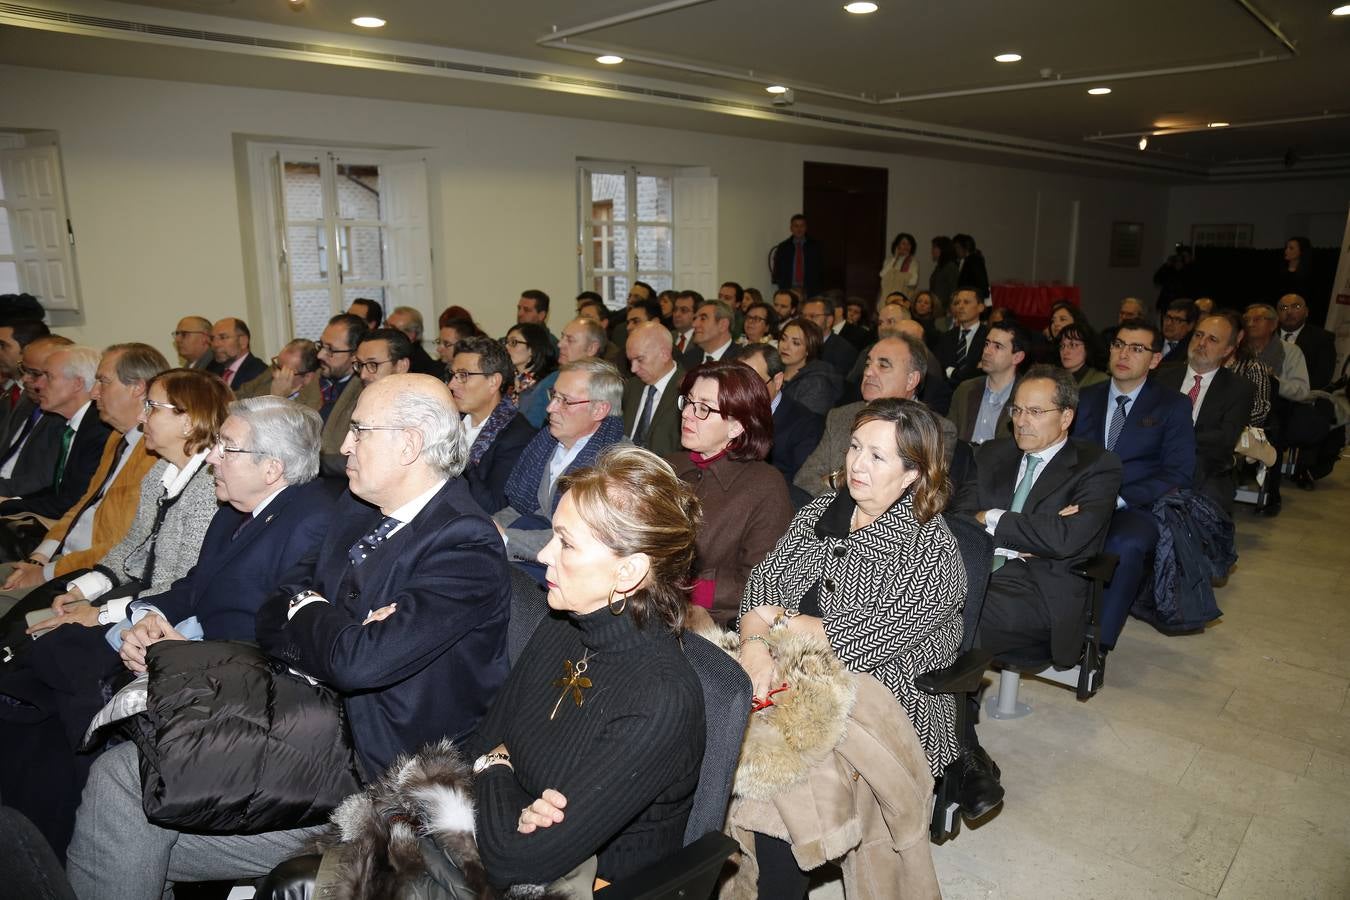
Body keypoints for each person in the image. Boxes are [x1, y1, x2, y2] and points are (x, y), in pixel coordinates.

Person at [67, 373, 512, 899]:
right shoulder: (358, 509)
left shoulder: (464, 543)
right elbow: (275, 606)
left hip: (373, 768)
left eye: (360, 431)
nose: (344, 444)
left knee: (128, 782)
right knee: (131, 780)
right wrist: (324, 615)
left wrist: (317, 618)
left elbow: (356, 664)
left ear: (409, 444)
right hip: (309, 715)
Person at [0, 394, 330, 857]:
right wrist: (145, 616)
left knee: (63, 680)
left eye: (226, 447)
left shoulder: (310, 523)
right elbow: (194, 587)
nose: (212, 456)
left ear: (272, 468)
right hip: (190, 646)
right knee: (48, 677)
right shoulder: (239, 509)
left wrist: (182, 649)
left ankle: (63, 836)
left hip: (237, 685)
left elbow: (279, 635)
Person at [738, 398, 966, 897]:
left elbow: (852, 644)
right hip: (793, 673)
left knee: (787, 790)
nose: (857, 464)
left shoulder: (931, 551)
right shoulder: (824, 510)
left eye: (878, 457)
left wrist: (784, 622)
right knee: (709, 725)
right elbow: (761, 588)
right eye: (856, 447)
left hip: (890, 704)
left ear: (913, 475)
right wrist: (756, 644)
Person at [463, 446, 704, 889]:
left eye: (567, 544)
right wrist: (501, 770)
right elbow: (482, 742)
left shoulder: (660, 700)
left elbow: (516, 862)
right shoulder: (567, 621)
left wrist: (498, 766)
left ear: (628, 571)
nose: (543, 556)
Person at [952, 366, 1122, 815]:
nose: (1021, 421)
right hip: (973, 575)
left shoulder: (1097, 466)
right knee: (923, 619)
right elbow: (957, 519)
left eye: (1035, 411)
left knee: (954, 628)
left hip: (1040, 593)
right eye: (1016, 410)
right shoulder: (991, 454)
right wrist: (1035, 532)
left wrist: (995, 520)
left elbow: (1068, 541)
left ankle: (961, 759)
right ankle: (964, 758)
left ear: (1065, 417)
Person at [0, 344, 167, 613]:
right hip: (62, 559)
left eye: (103, 381)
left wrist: (45, 573)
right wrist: (39, 559)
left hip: (88, 573)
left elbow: (120, 546)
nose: (94, 392)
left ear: (137, 387)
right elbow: (80, 505)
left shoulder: (154, 455)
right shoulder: (116, 437)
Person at [1073, 319, 1195, 648]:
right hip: (1079, 497)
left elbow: (1179, 472)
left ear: (1155, 360)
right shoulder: (1084, 397)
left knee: (1124, 545)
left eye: (1137, 348)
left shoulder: (1173, 405)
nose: (1124, 353)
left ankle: (1097, 643)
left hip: (1136, 506)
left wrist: (1120, 498)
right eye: (1118, 344)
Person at [668, 361, 792, 627]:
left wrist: (684, 589)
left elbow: (761, 584)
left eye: (703, 408)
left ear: (736, 427)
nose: (688, 414)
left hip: (712, 623)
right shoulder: (669, 465)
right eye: (688, 402)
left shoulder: (765, 487)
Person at [494, 359, 625, 567]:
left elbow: (577, 540)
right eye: (553, 395)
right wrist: (484, 525)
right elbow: (520, 508)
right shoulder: (546, 442)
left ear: (599, 410)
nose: (550, 407)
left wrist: (504, 539)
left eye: (565, 401)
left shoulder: (618, 466)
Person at [795, 333, 958, 498]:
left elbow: (918, 499)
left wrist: (834, 480)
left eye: (883, 365)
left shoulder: (937, 430)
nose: (868, 372)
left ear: (911, 380)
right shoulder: (840, 416)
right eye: (867, 364)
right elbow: (804, 479)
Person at [0, 345, 113, 533]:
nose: (38, 385)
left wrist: (7, 505)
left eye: (48, 377)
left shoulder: (98, 430)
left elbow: (70, 502)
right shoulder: (76, 424)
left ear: (77, 384)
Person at [1154, 313, 1254, 513]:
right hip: (1155, 457)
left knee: (1205, 504)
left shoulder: (1239, 388)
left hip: (1208, 466)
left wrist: (1175, 436)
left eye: (1212, 339)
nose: (1201, 343)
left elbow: (1226, 437)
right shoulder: (1161, 374)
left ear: (1227, 350)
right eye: (1198, 335)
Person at [449, 336, 536, 514]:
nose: (451, 384)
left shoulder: (517, 435)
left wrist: (459, 454)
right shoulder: (448, 421)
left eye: (463, 376)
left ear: (493, 382)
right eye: (453, 375)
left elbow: (492, 507)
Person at [740, 343, 824, 484]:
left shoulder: (804, 425)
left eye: (753, 383)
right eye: (738, 382)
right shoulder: (727, 408)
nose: (743, 391)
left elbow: (799, 483)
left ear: (777, 381)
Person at [520, 318, 606, 429]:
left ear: (591, 348)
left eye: (570, 340)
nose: (560, 344)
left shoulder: (604, 387)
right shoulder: (554, 378)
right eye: (562, 337)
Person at [949, 321, 1026, 444]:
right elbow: (949, 437)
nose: (987, 351)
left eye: (997, 347)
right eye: (986, 344)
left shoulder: (1026, 397)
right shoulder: (965, 389)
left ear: (1017, 357)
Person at [315, 313, 369, 477]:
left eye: (330, 349)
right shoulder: (315, 379)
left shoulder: (363, 392)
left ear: (354, 356)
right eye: (321, 346)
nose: (320, 355)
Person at [622, 322, 684, 458]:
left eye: (640, 359)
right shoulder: (631, 387)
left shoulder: (687, 390)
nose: (633, 369)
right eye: (631, 361)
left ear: (664, 354)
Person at [777, 318, 842, 417]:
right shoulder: (773, 369)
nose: (785, 346)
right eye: (783, 339)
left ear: (809, 349)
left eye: (796, 343)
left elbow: (803, 424)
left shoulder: (817, 383)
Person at [235, 338, 322, 409]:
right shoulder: (273, 370)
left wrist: (277, 398)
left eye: (284, 371)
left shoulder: (312, 403)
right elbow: (240, 394)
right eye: (276, 364)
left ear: (307, 377)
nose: (275, 374)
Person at [503, 323, 558, 429]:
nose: (506, 347)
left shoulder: (548, 384)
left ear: (532, 348)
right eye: (506, 342)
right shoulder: (509, 382)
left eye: (513, 342)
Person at [1276, 293, 1336, 392]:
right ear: (1277, 314)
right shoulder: (1268, 335)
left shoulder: (1323, 338)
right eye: (1284, 308)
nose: (1289, 312)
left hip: (1303, 397)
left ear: (1306, 312)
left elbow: (1322, 377)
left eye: (1296, 307)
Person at [934, 288, 988, 385]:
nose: (960, 306)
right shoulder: (945, 337)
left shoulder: (989, 337)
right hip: (946, 392)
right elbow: (938, 368)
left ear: (980, 307)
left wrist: (951, 372)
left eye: (966, 302)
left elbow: (982, 373)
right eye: (957, 303)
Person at [798, 297, 859, 378]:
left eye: (813, 316)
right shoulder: (797, 343)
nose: (806, 321)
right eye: (804, 316)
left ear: (829, 321)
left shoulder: (844, 351)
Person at [679, 298, 741, 369]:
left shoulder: (741, 360)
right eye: (695, 319)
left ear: (723, 325)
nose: (694, 324)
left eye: (703, 319)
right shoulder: (689, 358)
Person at [386, 306, 446, 379]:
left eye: (393, 329)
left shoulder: (418, 365)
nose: (385, 331)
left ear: (411, 334)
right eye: (385, 325)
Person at [772, 214, 823, 298]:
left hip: (810, 290)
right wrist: (782, 286)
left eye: (802, 226)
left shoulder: (815, 246)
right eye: (796, 226)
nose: (799, 229)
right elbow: (778, 269)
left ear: (806, 227)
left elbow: (820, 269)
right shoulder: (783, 247)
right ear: (791, 228)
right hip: (788, 289)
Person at [207, 318, 267, 389]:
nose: (215, 344)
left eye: (223, 337)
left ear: (243, 341)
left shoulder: (259, 373)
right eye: (212, 339)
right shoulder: (212, 372)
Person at [880, 232, 920, 301]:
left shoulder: (913, 262)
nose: (906, 247)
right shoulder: (889, 260)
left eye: (909, 244)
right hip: (887, 297)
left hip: (903, 298)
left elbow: (913, 282)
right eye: (903, 243)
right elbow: (882, 275)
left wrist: (897, 277)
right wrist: (895, 258)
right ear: (897, 245)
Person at [952, 234, 990, 302]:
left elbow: (982, 285)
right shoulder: (964, 261)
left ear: (965, 248)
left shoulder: (974, 262)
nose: (956, 251)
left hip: (973, 301)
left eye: (957, 247)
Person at [1161, 299, 1198, 363]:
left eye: (1177, 320)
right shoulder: (1152, 339)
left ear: (1190, 326)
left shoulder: (1192, 351)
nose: (1169, 323)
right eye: (1168, 317)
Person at [928, 237, 959, 311]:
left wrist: (951, 309)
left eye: (934, 247)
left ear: (943, 250)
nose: (932, 251)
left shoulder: (950, 267)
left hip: (945, 310)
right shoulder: (939, 267)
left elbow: (954, 290)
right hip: (937, 308)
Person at [670, 291, 698, 357]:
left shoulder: (702, 339)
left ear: (696, 313)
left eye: (684, 310)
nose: (677, 314)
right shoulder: (668, 337)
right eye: (675, 309)